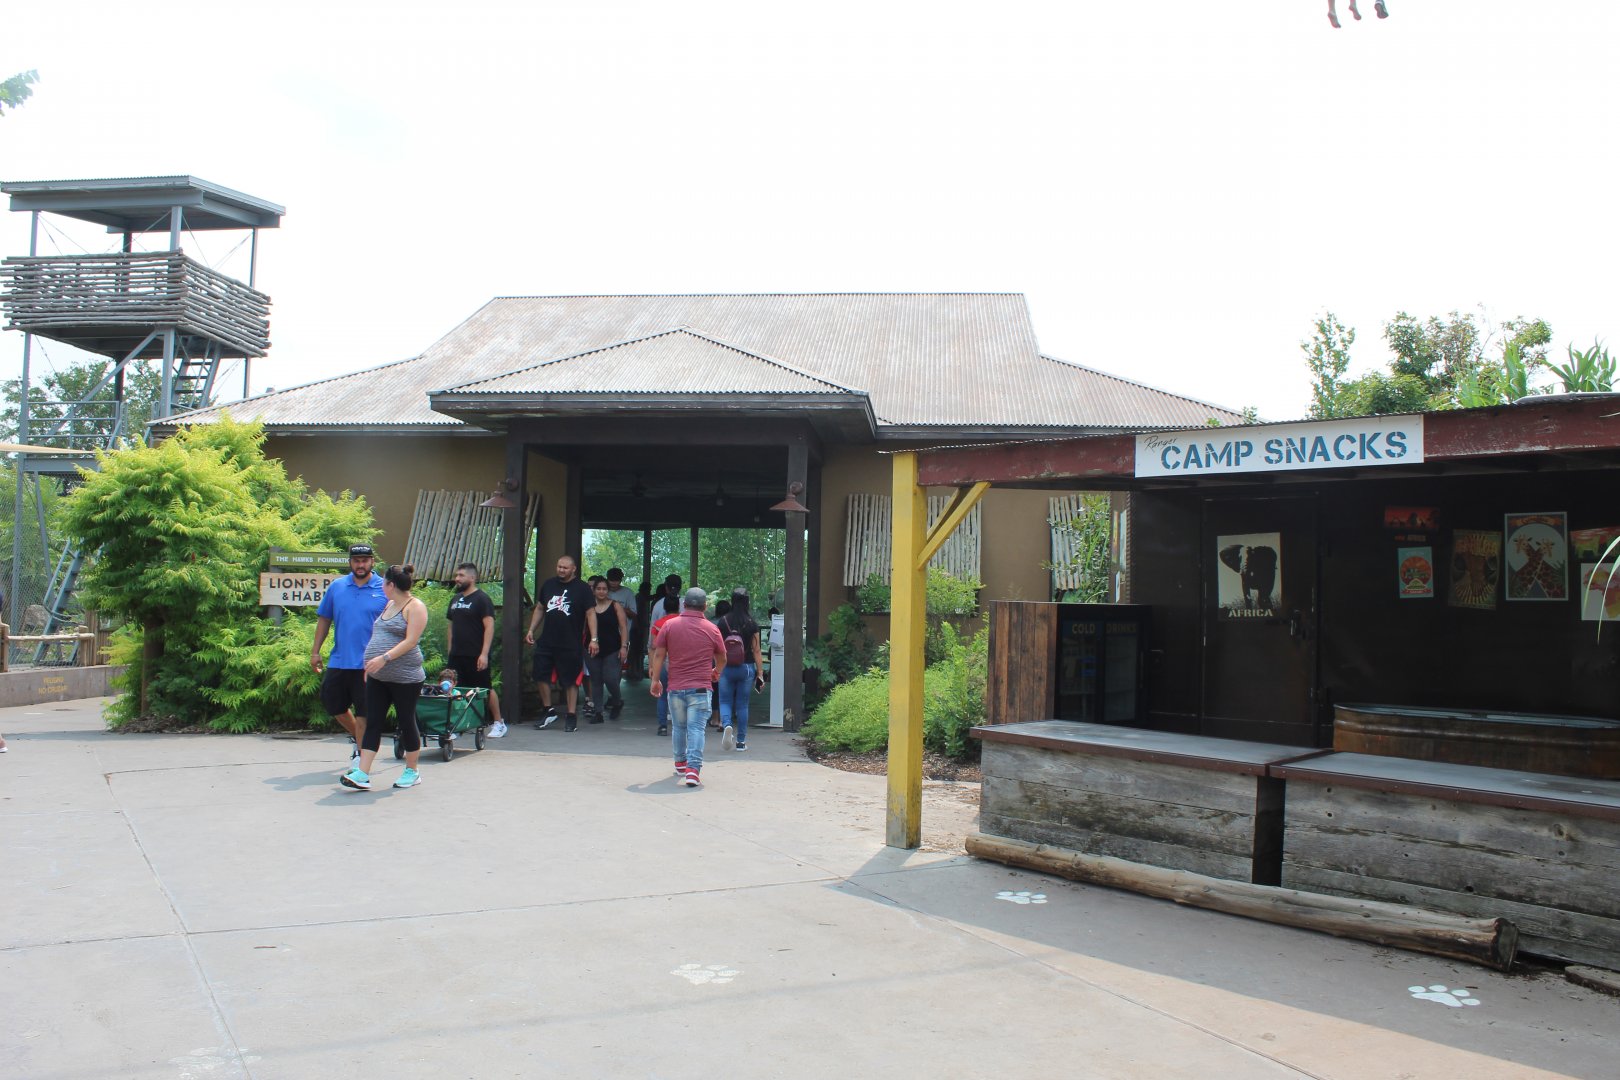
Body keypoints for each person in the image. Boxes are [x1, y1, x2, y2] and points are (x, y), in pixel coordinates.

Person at [341, 563, 429, 791]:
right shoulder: (389, 605)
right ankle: (363, 773)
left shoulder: (415, 606)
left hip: (406, 677)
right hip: (379, 676)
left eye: (383, 582)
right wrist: (370, 667)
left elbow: (411, 641)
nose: (381, 585)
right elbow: (378, 635)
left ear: (390, 585)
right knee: (373, 721)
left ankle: (412, 771)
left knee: (406, 720)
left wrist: (384, 658)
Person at [311, 543, 387, 770]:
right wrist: (315, 651)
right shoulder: (337, 587)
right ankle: (363, 741)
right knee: (332, 703)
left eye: (365, 560)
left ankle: (361, 760)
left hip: (370, 664)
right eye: (356, 560)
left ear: (372, 561)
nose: (360, 564)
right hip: (340, 659)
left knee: (364, 712)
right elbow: (324, 619)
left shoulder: (384, 588)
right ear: (350, 562)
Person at [649, 586, 725, 788]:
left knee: (679, 727)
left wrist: (656, 680)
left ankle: (680, 763)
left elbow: (659, 654)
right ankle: (693, 770)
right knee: (697, 729)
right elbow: (722, 657)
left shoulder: (670, 626)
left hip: (675, 687)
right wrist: (716, 671)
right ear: (705, 606)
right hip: (701, 687)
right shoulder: (712, 628)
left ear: (684, 605)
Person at [526, 554, 593, 732]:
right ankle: (548, 710)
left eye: (565, 567)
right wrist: (532, 629)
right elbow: (540, 607)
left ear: (573, 569)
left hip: (570, 641)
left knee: (570, 680)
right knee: (540, 675)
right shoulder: (549, 585)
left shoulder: (583, 588)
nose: (561, 570)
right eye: (559, 567)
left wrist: (594, 639)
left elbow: (591, 614)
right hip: (547, 640)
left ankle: (571, 715)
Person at [446, 562, 505, 737]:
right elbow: (450, 626)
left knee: (485, 688)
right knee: (455, 690)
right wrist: (450, 650)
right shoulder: (455, 599)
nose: (457, 578)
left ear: (472, 577)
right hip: (456, 654)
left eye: (461, 575)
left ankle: (499, 723)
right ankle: (458, 725)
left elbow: (489, 627)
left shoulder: (482, 599)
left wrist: (484, 654)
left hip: (476, 654)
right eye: (457, 575)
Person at [715, 588, 765, 752]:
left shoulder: (723, 621)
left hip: (726, 667)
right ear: (746, 602)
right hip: (746, 667)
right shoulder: (752, 623)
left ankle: (727, 724)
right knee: (742, 705)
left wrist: (716, 667)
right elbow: (757, 650)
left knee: (724, 701)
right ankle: (741, 742)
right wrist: (760, 673)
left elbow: (718, 648)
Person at [585, 576, 629, 721]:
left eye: (604, 589)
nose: (602, 591)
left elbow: (623, 627)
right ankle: (598, 712)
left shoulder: (615, 605)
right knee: (596, 680)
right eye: (599, 589)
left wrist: (624, 647)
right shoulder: (588, 607)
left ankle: (617, 701)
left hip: (613, 648)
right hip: (592, 649)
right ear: (594, 590)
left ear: (608, 591)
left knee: (611, 678)